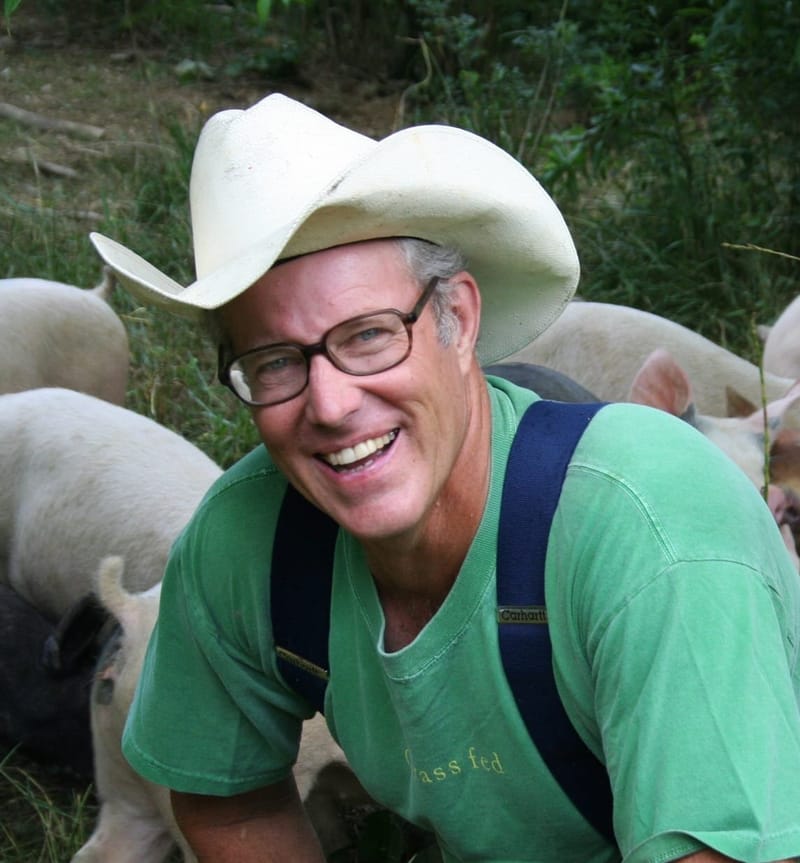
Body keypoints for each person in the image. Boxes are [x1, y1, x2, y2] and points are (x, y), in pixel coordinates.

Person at [90, 93, 800, 863]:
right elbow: (225, 798)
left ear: (457, 320)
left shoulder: (650, 523)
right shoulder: (246, 540)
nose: (330, 405)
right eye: (275, 360)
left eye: (368, 335)